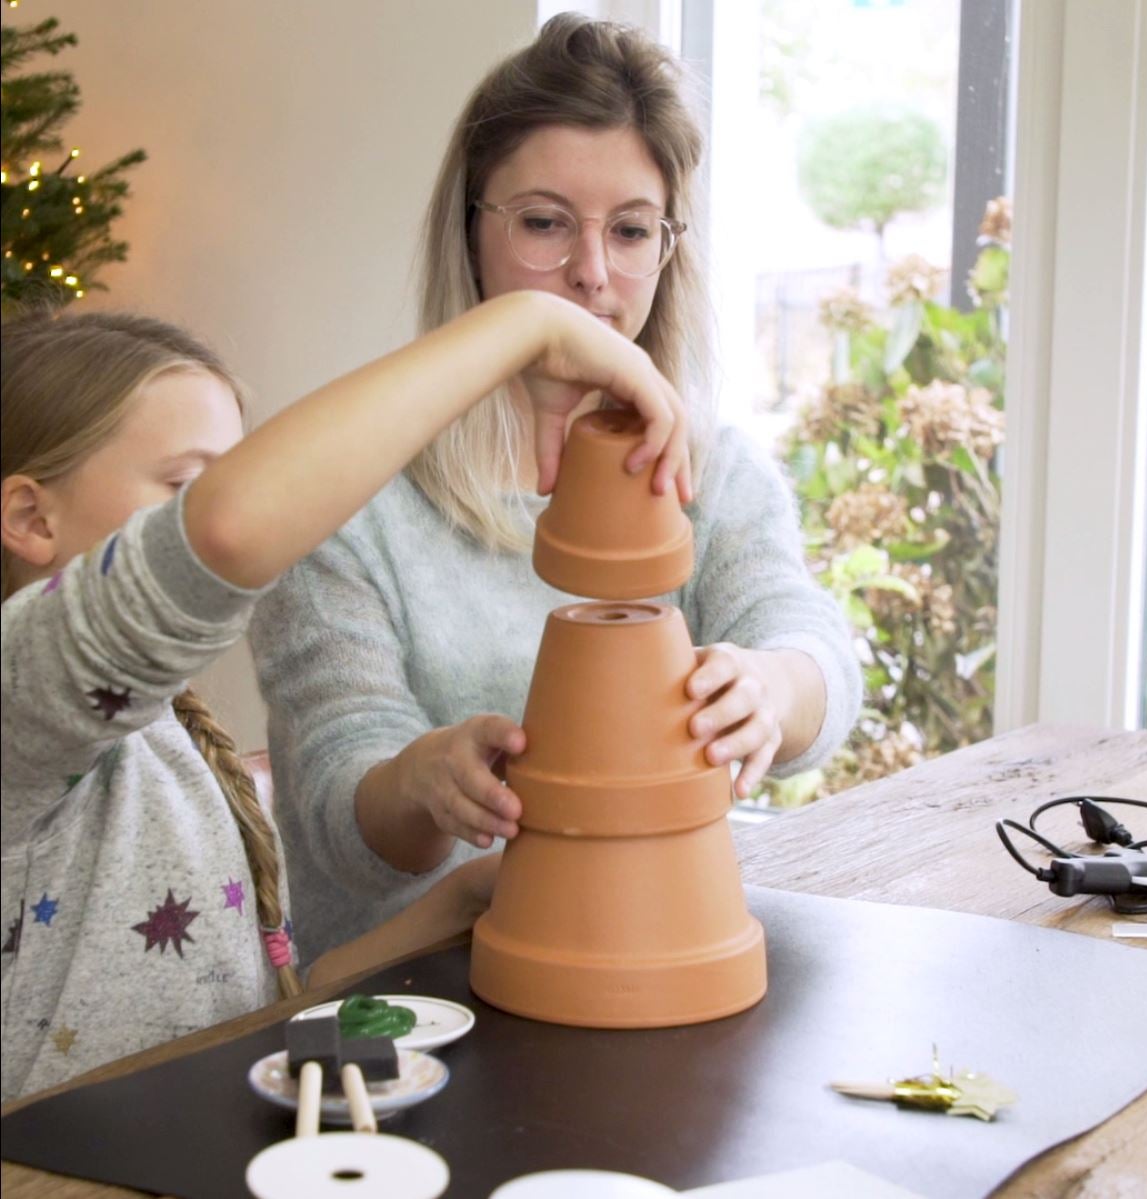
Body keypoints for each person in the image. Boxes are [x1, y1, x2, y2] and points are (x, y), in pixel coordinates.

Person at [250, 14, 864, 967]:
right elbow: (344, 812)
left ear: (670, 246)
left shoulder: (712, 469)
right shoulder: (353, 501)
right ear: (470, 233)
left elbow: (810, 643)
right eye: (543, 223)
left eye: (629, 231)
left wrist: (771, 688)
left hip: (655, 958)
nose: (590, 274)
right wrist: (424, 782)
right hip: (415, 1013)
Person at [0, 297, 687, 1100]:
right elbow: (226, 533)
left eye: (231, 473)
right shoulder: (21, 712)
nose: (253, 512)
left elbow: (253, 1015)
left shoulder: (171, 740)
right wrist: (530, 325)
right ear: (28, 516)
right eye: (188, 485)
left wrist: (464, 900)